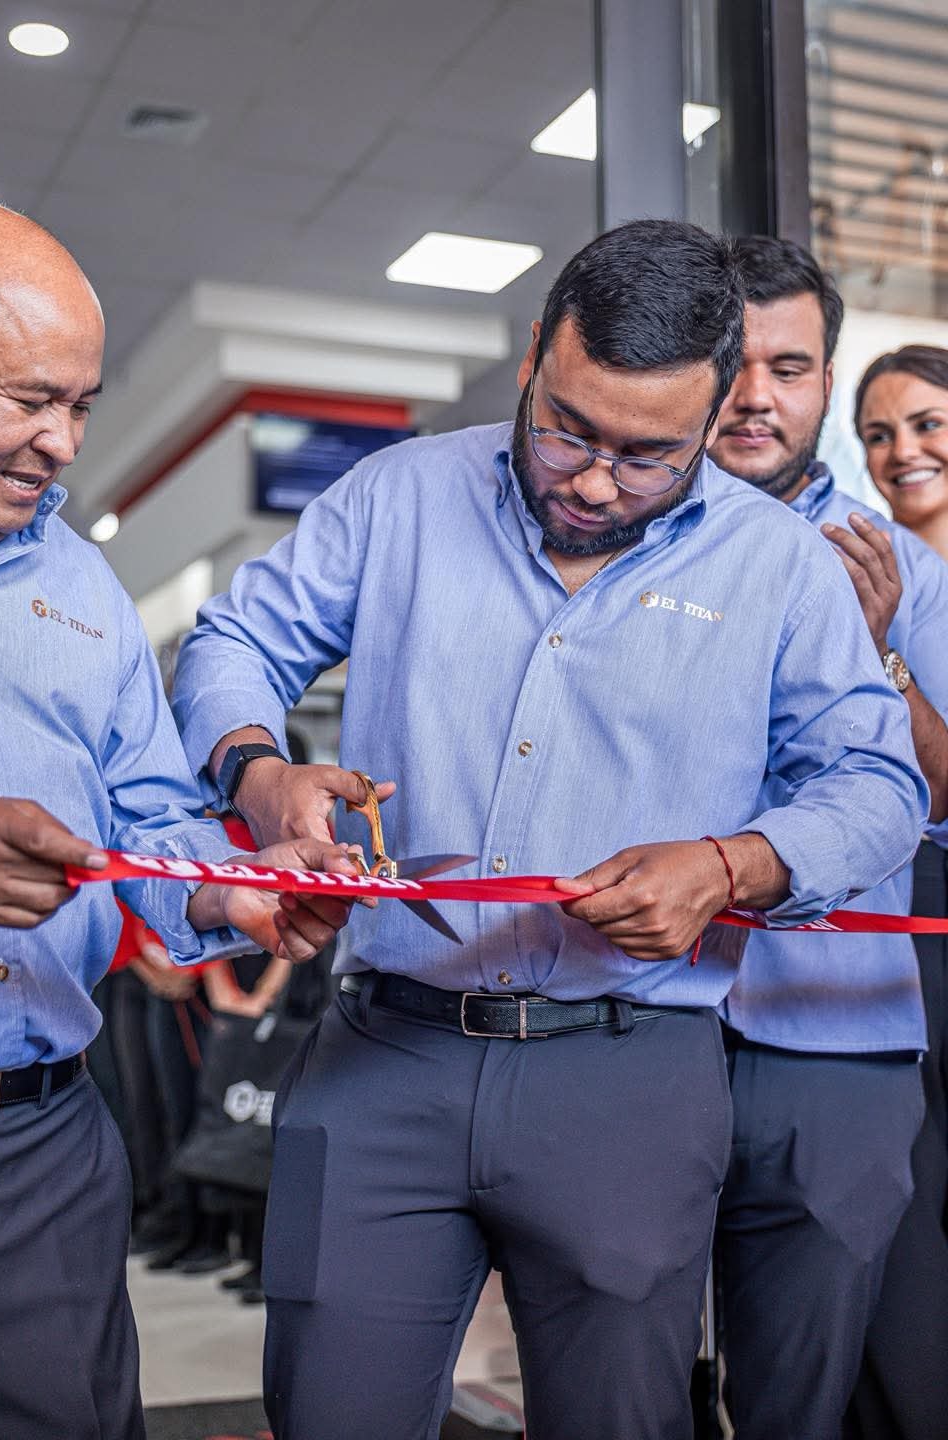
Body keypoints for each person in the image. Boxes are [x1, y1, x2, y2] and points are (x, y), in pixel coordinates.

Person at [171, 219, 928, 1440]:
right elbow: (235, 641)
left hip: (631, 1078)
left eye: (648, 456)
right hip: (382, 1059)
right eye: (567, 430)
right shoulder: (400, 494)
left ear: (714, 413)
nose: (593, 482)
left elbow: (877, 783)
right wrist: (261, 776)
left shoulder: (780, 566)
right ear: (535, 357)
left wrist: (731, 864)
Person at [0, 205, 359, 1440]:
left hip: (35, 1145)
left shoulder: (80, 587)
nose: (61, 442)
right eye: (31, 400)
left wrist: (228, 885)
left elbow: (151, 813)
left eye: (81, 406)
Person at [707, 236, 948, 1440]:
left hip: (833, 1030)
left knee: (810, 1389)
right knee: (618, 1369)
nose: (756, 396)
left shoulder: (895, 563)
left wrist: (881, 649)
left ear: (823, 382)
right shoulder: (612, 534)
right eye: (733, 362)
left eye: (790, 367)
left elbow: (943, 796)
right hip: (631, 1021)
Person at [840, 346, 948, 1440]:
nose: (902, 451)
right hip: (891, 916)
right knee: (902, 1211)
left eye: (925, 424)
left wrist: (884, 657)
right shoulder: (857, 565)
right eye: (878, 433)